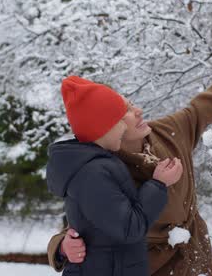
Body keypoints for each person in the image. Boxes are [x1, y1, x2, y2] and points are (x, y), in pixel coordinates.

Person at [48, 22, 212, 276]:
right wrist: (62, 247)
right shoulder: (103, 170)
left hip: (196, 261)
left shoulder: (169, 131)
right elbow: (89, 224)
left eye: (131, 104)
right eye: (126, 111)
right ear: (110, 126)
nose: (138, 111)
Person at [46, 76, 184, 275]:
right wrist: (158, 184)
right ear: (103, 126)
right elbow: (128, 227)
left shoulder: (101, 165)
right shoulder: (93, 173)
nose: (125, 124)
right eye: (120, 119)